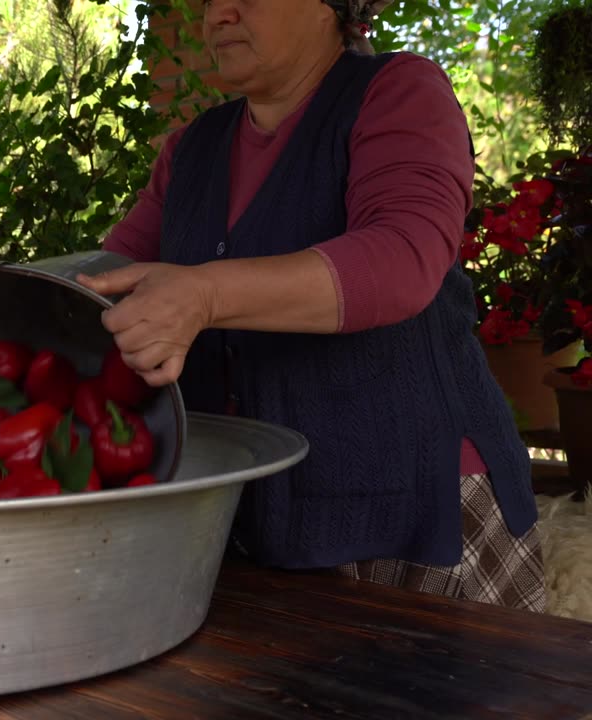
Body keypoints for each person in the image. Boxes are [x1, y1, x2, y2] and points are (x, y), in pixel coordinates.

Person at [77, 0, 547, 612]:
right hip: (247, 514)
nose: (218, 14)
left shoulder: (399, 93)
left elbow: (402, 258)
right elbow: (109, 282)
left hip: (419, 502)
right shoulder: (191, 151)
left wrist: (206, 294)